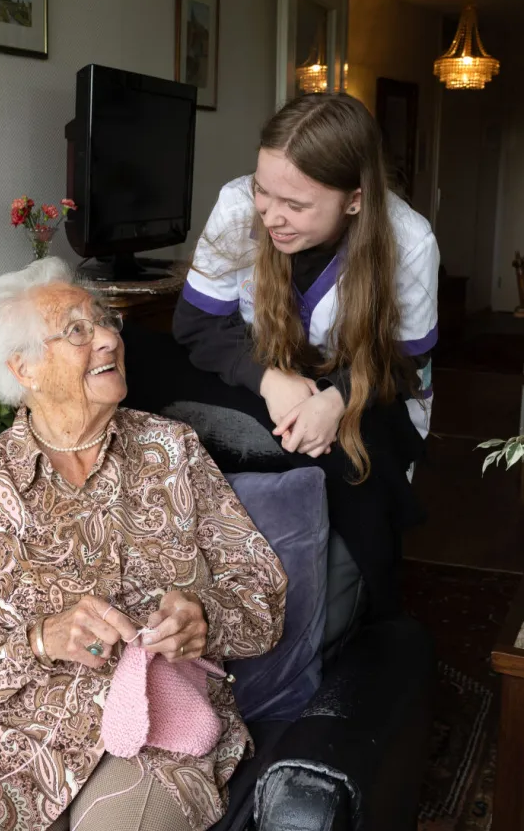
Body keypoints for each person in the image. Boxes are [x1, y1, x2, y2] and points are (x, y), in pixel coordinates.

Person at [0, 257, 288, 831]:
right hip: (2, 742)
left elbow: (262, 594)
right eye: (77, 330)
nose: (108, 338)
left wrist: (203, 619)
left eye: (105, 322)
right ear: (25, 368)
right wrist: (39, 640)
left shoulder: (172, 453)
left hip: (156, 723)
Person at [164, 92, 440, 606]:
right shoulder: (238, 208)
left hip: (371, 387)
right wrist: (271, 381)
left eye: (296, 205)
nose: (272, 216)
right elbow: (197, 324)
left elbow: (406, 361)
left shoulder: (410, 240)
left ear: (354, 200)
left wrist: (335, 401)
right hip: (271, 374)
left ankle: (368, 609)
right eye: (263, 190)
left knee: (357, 470)